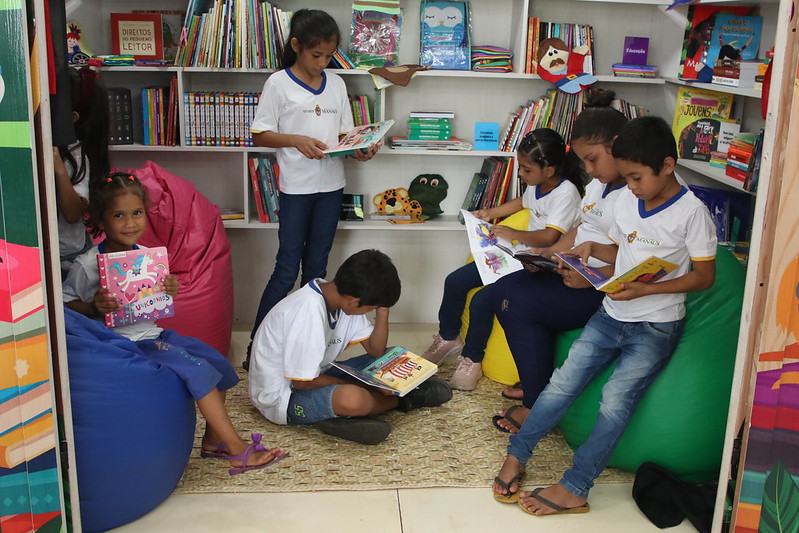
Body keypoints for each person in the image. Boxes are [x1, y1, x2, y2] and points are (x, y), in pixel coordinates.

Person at [492, 115, 717, 515]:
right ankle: (516, 455)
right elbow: (624, 253)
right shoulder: (629, 200)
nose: (630, 188)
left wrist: (648, 289)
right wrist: (592, 250)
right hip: (612, 312)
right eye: (626, 179)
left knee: (615, 402)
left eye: (635, 178)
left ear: (667, 166)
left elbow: (703, 277)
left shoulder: (692, 213)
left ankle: (576, 486)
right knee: (561, 385)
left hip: (655, 325)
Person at [62, 172, 287, 475]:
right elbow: (64, 303)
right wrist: (92, 306)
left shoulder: (147, 255)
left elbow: (154, 298)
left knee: (218, 363)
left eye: (137, 213)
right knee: (198, 371)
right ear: (101, 221)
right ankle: (236, 450)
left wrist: (169, 288)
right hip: (123, 343)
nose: (130, 223)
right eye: (119, 215)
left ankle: (213, 441)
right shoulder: (88, 263)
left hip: (153, 332)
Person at [245, 9, 381, 369]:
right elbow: (259, 133)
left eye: (328, 56)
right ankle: (256, 350)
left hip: (331, 186)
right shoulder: (279, 83)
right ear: (296, 46)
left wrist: (360, 149)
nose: (322, 63)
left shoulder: (336, 84)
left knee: (318, 272)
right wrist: (294, 140)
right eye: (315, 55)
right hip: (296, 190)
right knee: (286, 269)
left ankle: (308, 350)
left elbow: (343, 135)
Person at [491, 88, 629, 433]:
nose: (587, 168)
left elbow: (637, 257)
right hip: (575, 269)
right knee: (502, 288)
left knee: (519, 301)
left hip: (604, 287)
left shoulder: (636, 189)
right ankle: (534, 380)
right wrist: (547, 256)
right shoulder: (600, 184)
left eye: (594, 158)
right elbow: (582, 228)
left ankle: (536, 406)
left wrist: (591, 277)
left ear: (619, 146)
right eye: (583, 159)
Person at [420, 128, 585, 391]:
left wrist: (512, 233)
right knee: (455, 281)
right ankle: (449, 338)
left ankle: (472, 358)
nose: (520, 173)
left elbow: (551, 236)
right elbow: (523, 203)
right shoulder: (538, 185)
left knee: (484, 300)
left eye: (526, 169)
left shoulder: (566, 193)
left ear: (550, 169)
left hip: (540, 264)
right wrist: (490, 212)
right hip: (516, 255)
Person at [248, 249, 453, 445]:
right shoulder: (308, 311)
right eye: (371, 308)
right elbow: (302, 383)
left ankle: (343, 415)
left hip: (318, 372)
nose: (373, 311)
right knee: (354, 398)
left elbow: (376, 351)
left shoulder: (340, 299)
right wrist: (366, 385)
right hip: (283, 397)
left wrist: (383, 310)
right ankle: (405, 398)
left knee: (392, 356)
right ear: (355, 301)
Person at [54, 66, 111, 278]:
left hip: (67, 255)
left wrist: (60, 170)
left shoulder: (75, 154)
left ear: (72, 117)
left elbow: (72, 213)